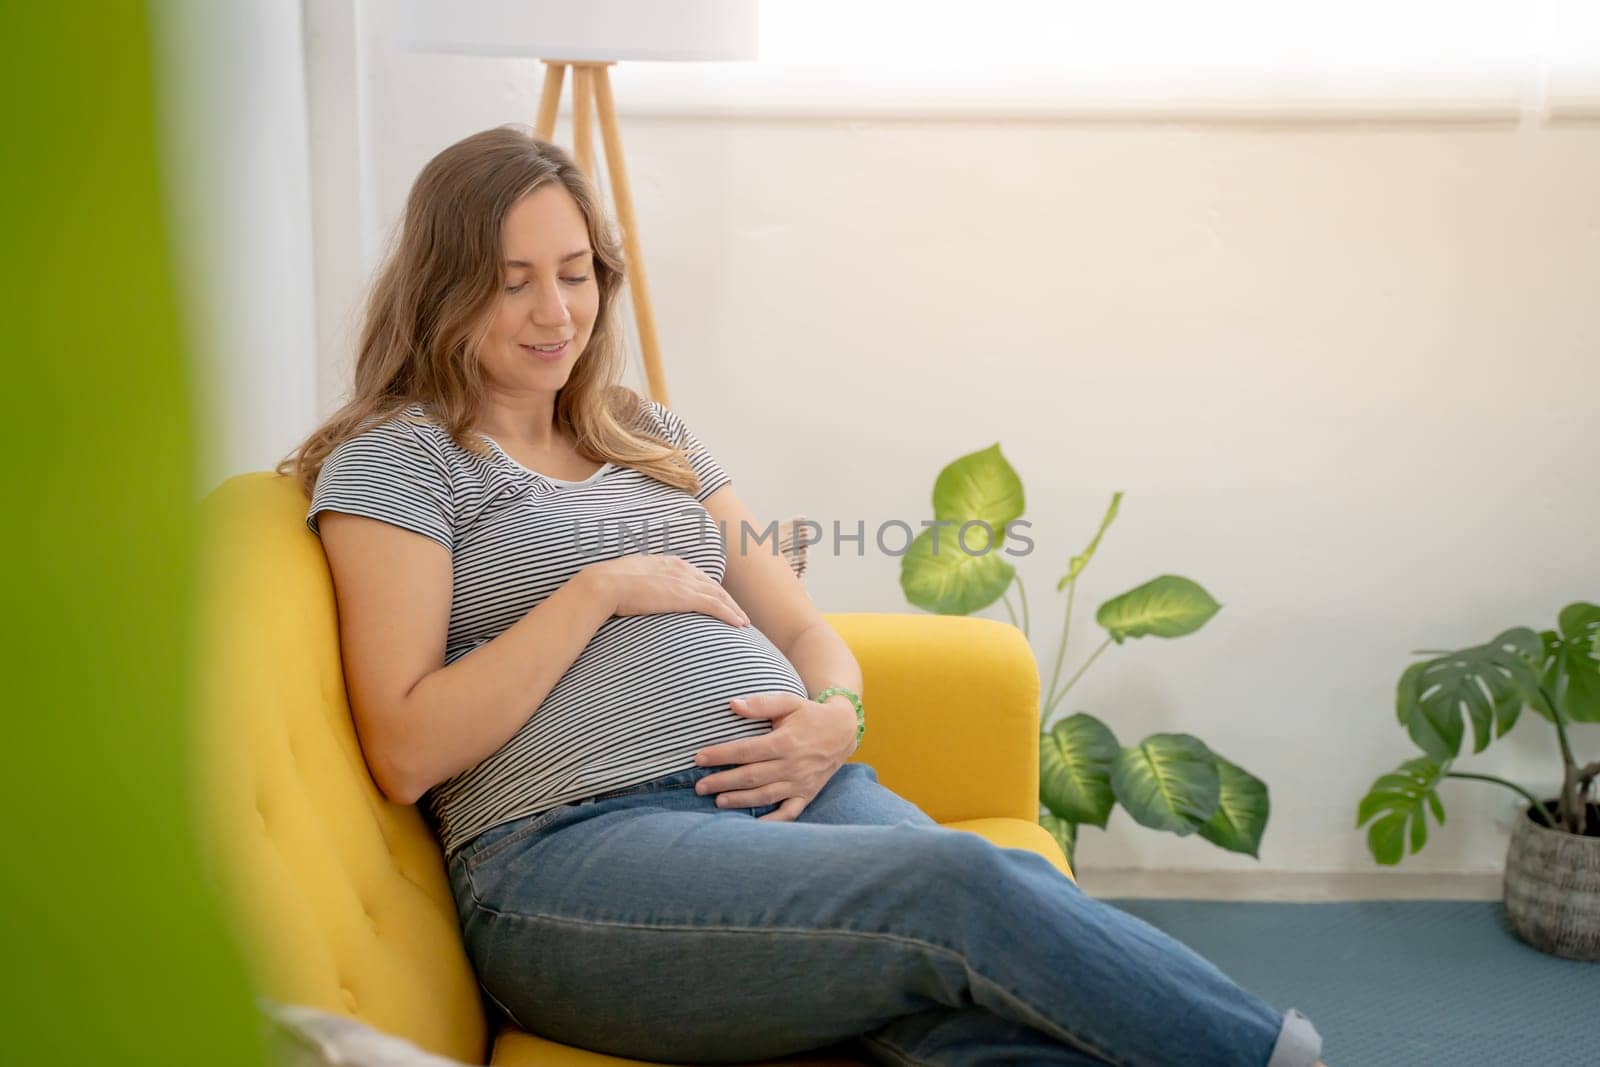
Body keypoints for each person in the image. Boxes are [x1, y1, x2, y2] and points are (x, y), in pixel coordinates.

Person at [281, 125, 1325, 1067]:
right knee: (964, 887)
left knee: (977, 1021)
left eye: (575, 273)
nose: (555, 312)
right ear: (443, 285)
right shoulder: (400, 461)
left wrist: (835, 716)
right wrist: (598, 587)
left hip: (791, 791)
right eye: (512, 281)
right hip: (573, 855)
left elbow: (799, 625)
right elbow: (406, 744)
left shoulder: (646, 429)